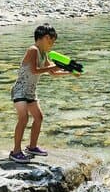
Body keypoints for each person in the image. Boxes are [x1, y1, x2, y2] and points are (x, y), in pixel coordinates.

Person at [9, 24, 69, 164]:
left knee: (39, 117)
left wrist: (69, 72)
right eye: (52, 42)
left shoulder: (44, 54)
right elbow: (35, 70)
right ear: (46, 38)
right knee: (23, 118)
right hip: (20, 90)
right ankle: (16, 151)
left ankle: (32, 146)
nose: (52, 45)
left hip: (30, 92)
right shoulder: (33, 50)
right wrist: (56, 65)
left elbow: (53, 72)